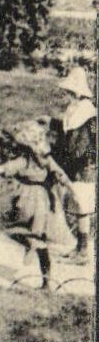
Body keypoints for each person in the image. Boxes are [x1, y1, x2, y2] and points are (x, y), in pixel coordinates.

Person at [0, 121, 74, 291]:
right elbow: (60, 174)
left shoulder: (24, 160)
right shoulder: (46, 160)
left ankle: (32, 246)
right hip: (44, 201)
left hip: (29, 199)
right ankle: (46, 280)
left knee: (17, 230)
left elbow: (3, 168)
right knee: (40, 240)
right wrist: (70, 189)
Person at [49, 66, 96, 264]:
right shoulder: (76, 110)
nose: (65, 95)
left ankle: (83, 251)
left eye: (68, 92)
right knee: (78, 207)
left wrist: (60, 157)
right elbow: (67, 130)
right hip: (77, 166)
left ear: (76, 93)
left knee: (82, 207)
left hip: (84, 167)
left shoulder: (87, 114)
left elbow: (79, 147)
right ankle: (80, 247)